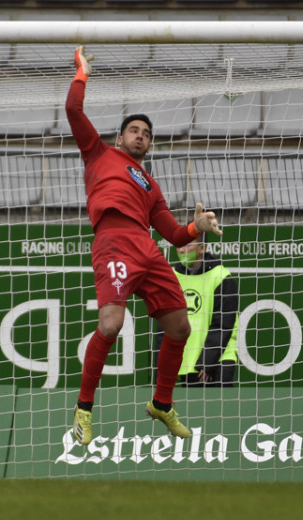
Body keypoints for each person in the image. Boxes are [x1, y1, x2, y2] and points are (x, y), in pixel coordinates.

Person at [66, 46, 222, 445]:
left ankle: (162, 403)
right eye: (135, 130)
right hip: (113, 242)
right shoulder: (98, 154)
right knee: (111, 324)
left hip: (147, 249)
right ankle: (84, 409)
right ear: (120, 137)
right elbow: (72, 110)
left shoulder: (151, 186)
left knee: (180, 327)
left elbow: (173, 234)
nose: (142, 136)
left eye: (147, 134)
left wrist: (197, 226)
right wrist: (82, 73)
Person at [161, 235, 239, 387]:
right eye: (179, 244)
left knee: (221, 409)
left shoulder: (221, 276)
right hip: (187, 362)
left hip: (218, 362)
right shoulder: (172, 278)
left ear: (201, 248)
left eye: (187, 245)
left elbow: (223, 324)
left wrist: (207, 362)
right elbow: (165, 326)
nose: (182, 249)